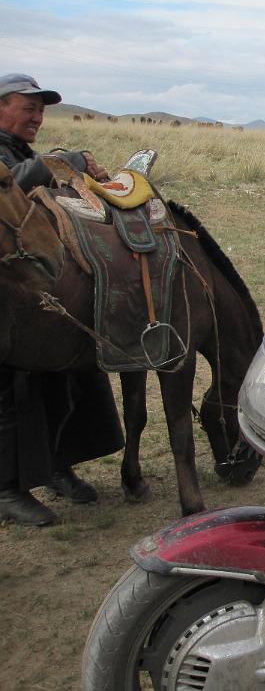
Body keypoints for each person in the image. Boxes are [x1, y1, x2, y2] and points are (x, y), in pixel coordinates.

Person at [0, 72, 123, 526]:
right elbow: (9, 187)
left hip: (28, 286)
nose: (37, 115)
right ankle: (6, 489)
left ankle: (54, 466)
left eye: (41, 109)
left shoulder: (19, 150)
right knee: (8, 394)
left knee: (58, 378)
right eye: (27, 106)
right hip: (6, 293)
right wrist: (59, 162)